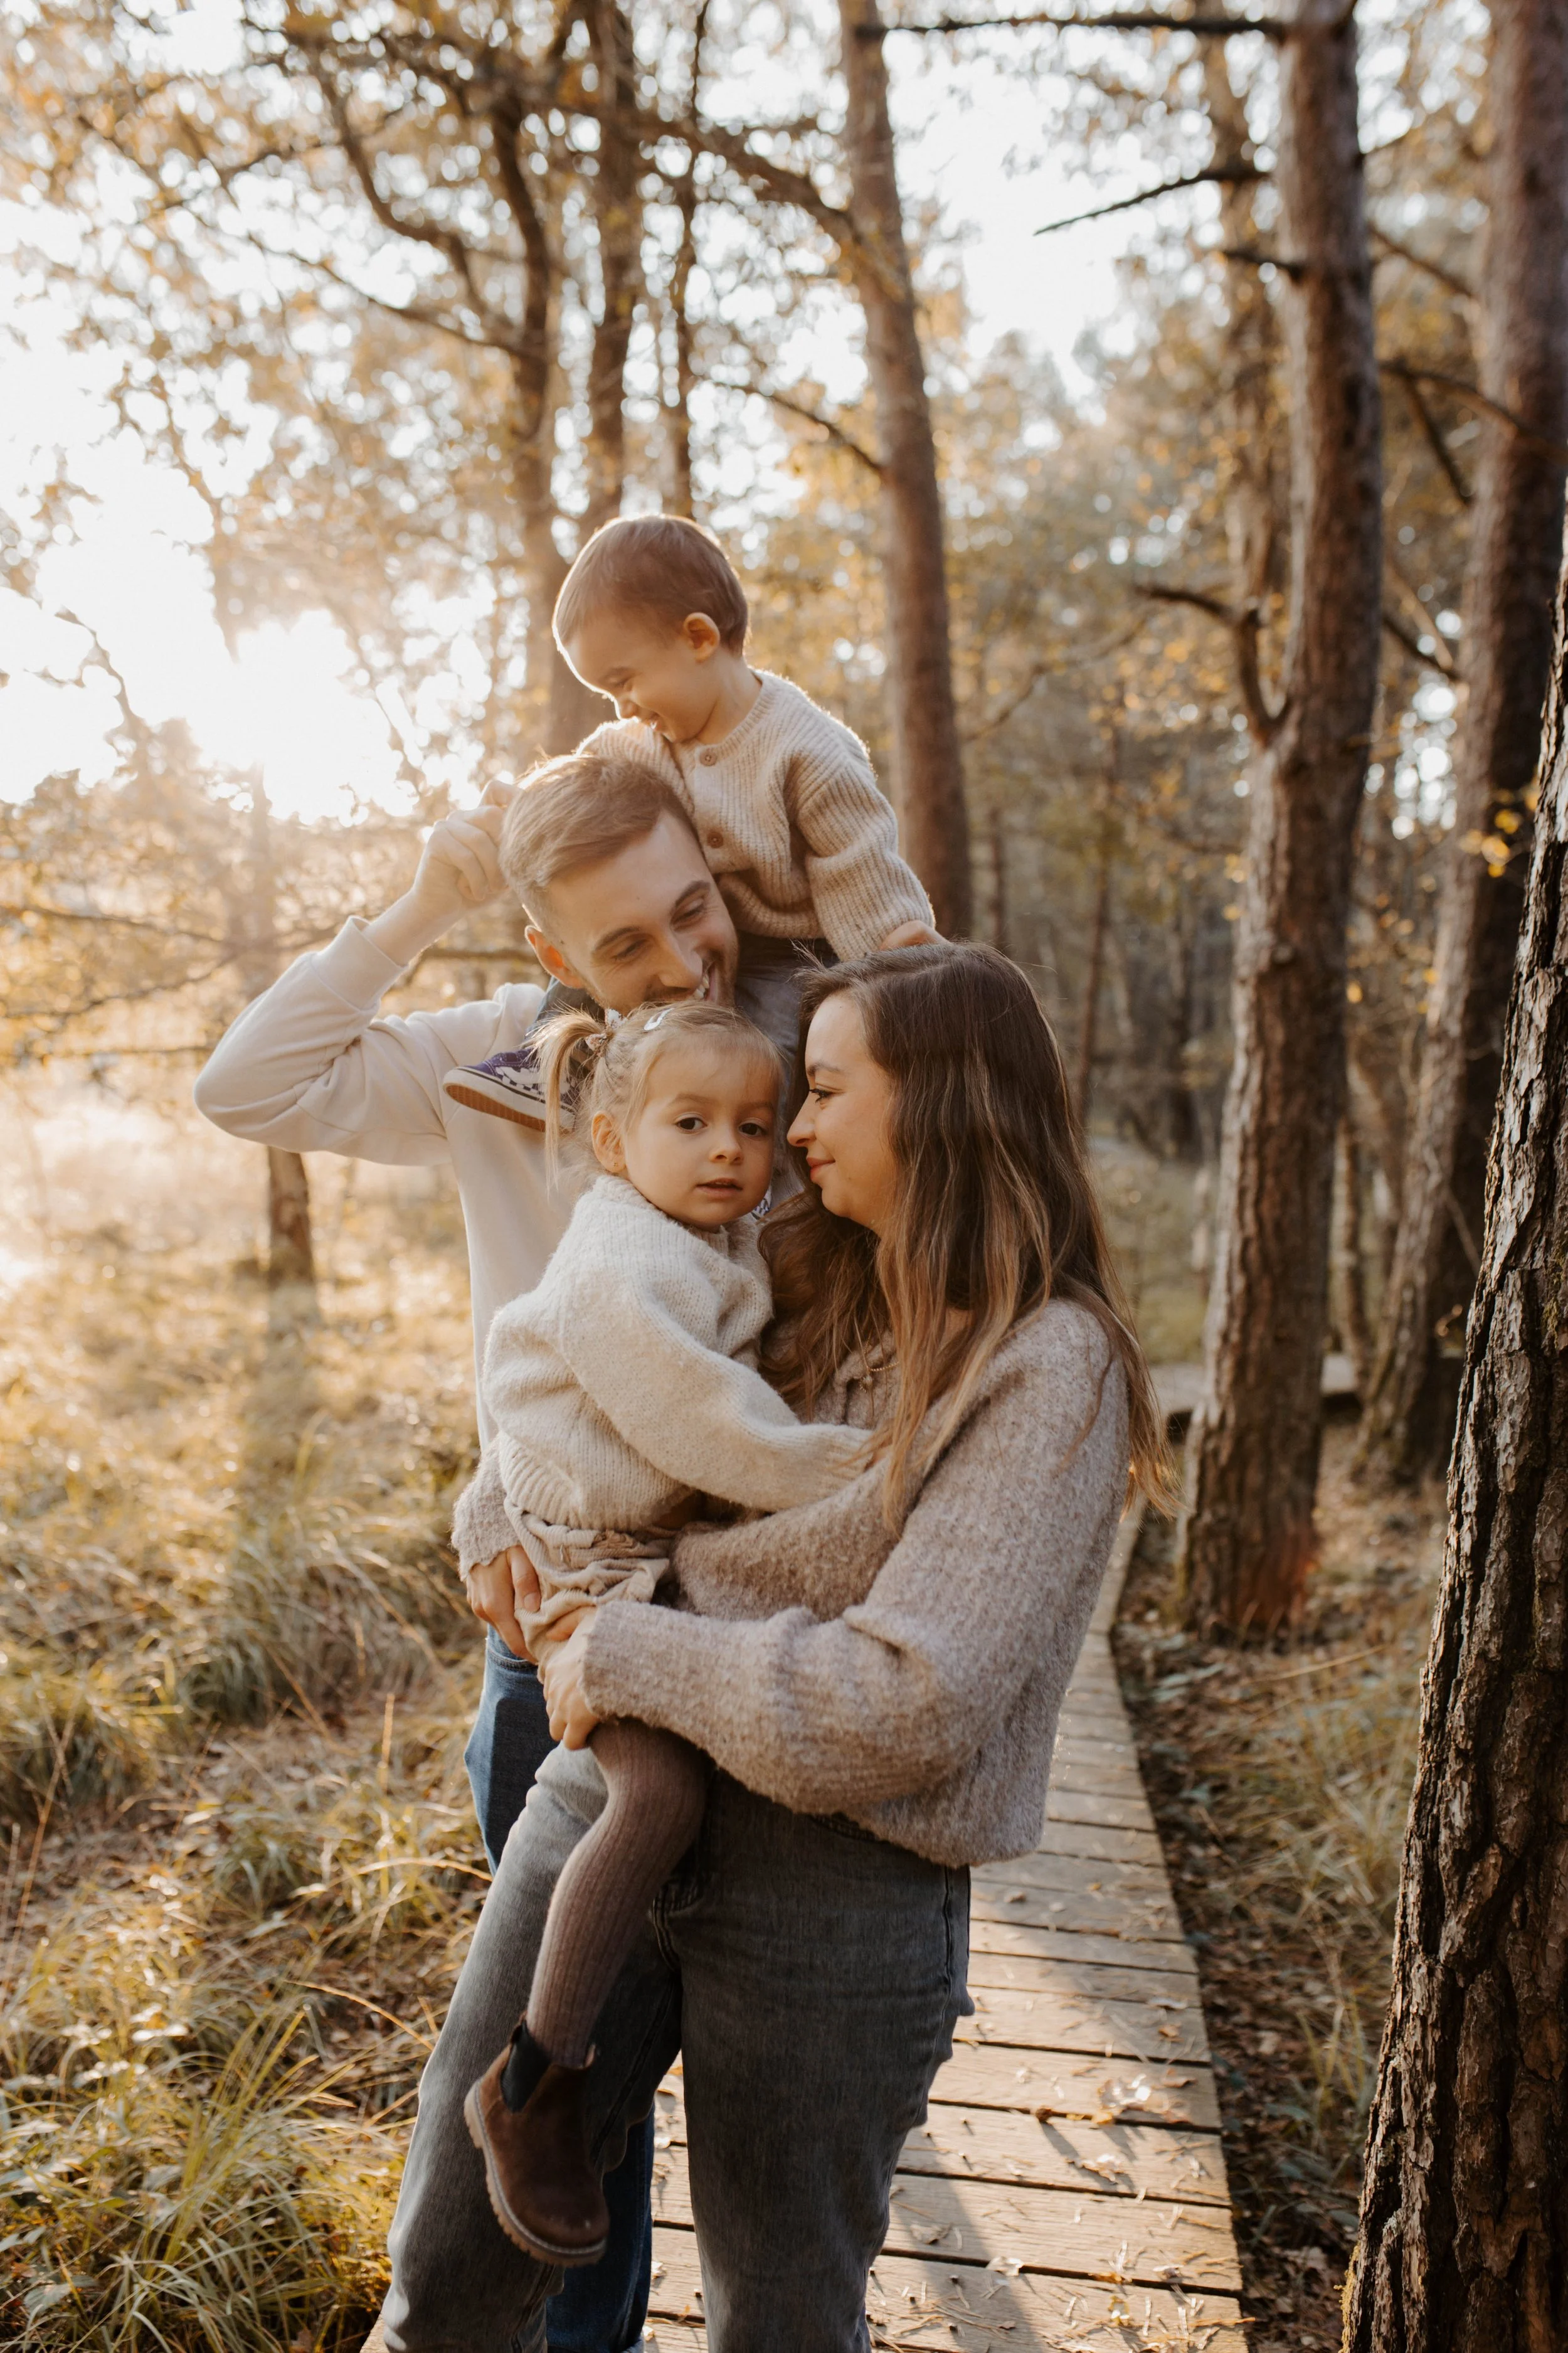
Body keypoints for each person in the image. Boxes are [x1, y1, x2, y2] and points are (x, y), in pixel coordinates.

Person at [376, 942, 1175, 2353]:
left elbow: (905, 1700)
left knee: (779, 2317)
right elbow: (590, 1377)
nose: (788, 1134)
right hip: (607, 1812)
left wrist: (620, 1652)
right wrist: (497, 1496)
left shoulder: (1050, 1366)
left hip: (836, 1890)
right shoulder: (792, 1262)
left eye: (818, 1093)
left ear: (937, 1103)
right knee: (445, 2272)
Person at [194, 750, 756, 2353]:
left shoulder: (781, 1055)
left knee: (737, 2047)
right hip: (561, 1627)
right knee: (565, 2053)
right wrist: (424, 901)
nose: (680, 960)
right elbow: (247, 1087)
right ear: (561, 958)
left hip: (769, 1625)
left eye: (694, 910)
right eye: (627, 945)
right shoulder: (499, 1067)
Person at [451, 1000, 865, 2265]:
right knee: (658, 1799)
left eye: (752, 1124)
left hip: (635, 1545)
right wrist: (859, 1472)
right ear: (613, 1139)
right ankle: (531, 2077)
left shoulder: (709, 1231)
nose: (729, 1150)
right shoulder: (622, 1257)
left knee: (693, 1783)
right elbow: (703, 1422)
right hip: (588, 1563)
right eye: (689, 1124)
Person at [442, 514, 939, 1132]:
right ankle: (549, 1068)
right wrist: (518, 804)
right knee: (593, 946)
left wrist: (892, 959)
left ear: (699, 638)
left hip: (792, 949)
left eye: (624, 681)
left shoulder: (806, 752)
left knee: (775, 1039)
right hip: (682, 928)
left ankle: (767, 1153)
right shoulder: (638, 739)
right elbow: (575, 792)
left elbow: (856, 865)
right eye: (606, 694)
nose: (622, 707)